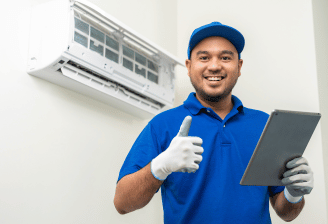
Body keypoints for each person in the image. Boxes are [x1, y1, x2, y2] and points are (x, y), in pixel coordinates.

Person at [114, 22, 314, 223]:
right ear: (189, 66)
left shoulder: (264, 125)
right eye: (204, 57)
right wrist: (161, 166)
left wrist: (293, 194)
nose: (215, 65)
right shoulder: (163, 125)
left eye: (225, 57)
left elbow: (286, 213)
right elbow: (122, 203)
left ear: (239, 66)